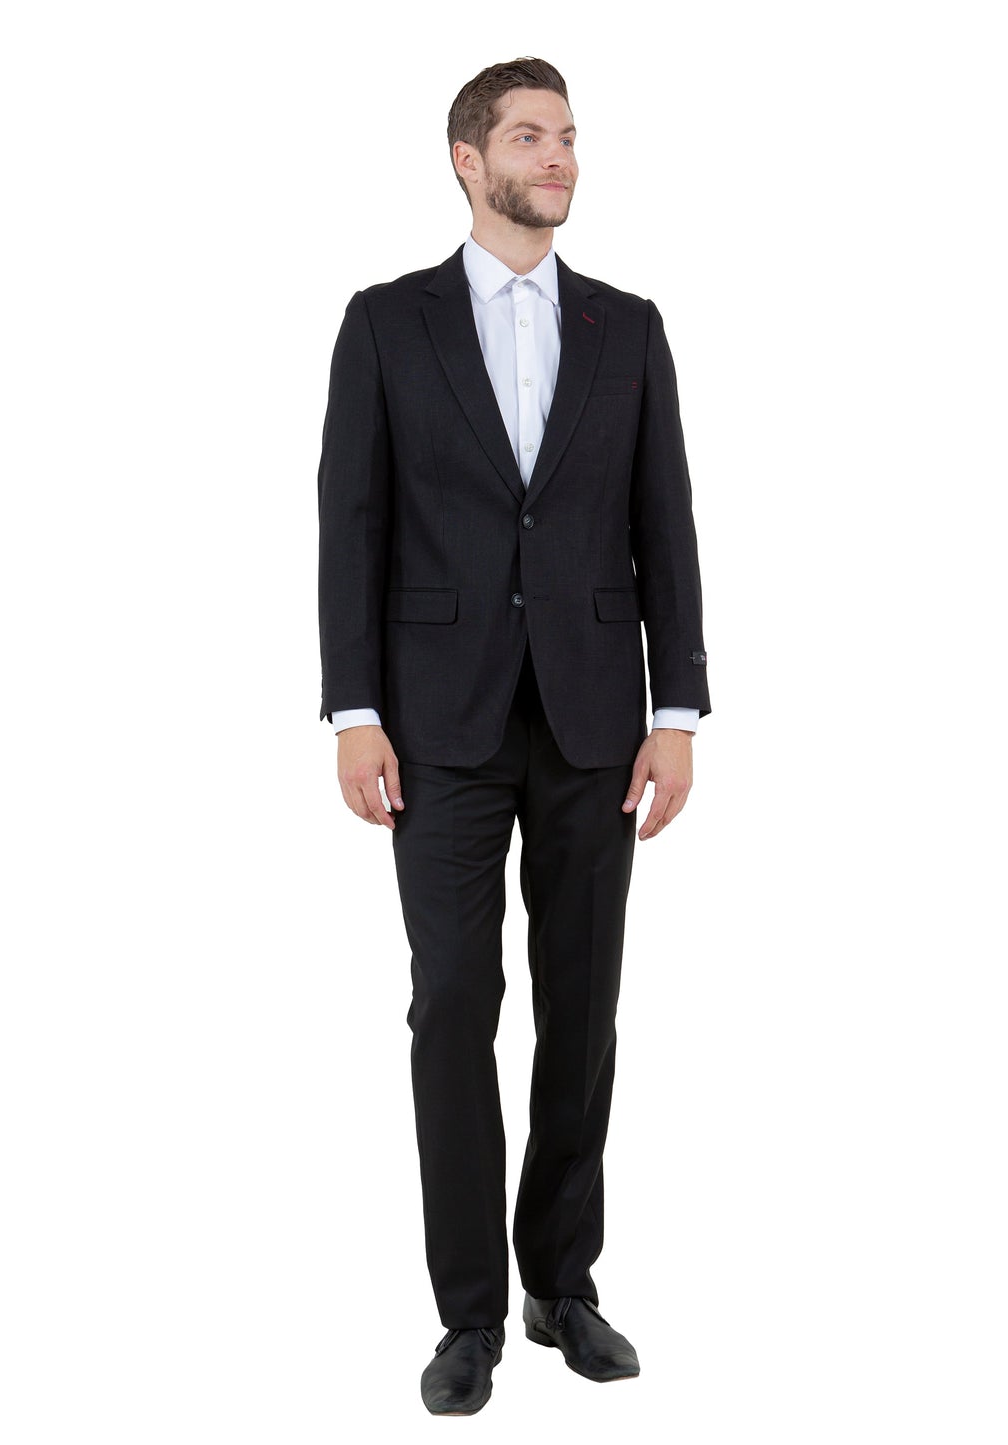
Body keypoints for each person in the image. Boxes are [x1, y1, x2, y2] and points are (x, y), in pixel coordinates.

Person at [316, 56, 712, 1416]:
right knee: (451, 1006)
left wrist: (677, 710)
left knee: (582, 1007)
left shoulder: (627, 328)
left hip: (598, 719)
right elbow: (351, 523)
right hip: (436, 722)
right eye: (532, 136)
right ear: (466, 159)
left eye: (569, 136)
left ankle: (562, 1283)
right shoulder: (386, 323)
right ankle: (468, 1312)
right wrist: (354, 708)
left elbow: (665, 524)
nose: (559, 157)